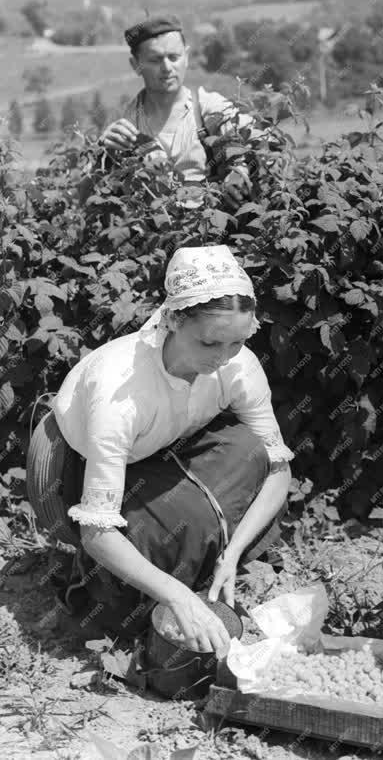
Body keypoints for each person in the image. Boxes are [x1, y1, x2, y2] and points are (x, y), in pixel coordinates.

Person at [28, 245, 292, 653]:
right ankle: (138, 581)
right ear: (171, 320)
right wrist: (176, 595)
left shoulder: (238, 365)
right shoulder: (120, 390)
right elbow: (97, 531)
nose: (223, 359)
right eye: (209, 344)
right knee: (159, 537)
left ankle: (206, 557)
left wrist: (233, 553)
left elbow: (279, 470)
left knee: (253, 450)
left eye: (237, 343)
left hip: (175, 445)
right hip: (94, 462)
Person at [99, 14, 253, 210]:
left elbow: (258, 145)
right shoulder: (126, 126)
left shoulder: (209, 108)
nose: (167, 68)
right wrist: (103, 154)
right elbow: (95, 198)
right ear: (136, 65)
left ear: (186, 57)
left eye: (174, 57)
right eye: (155, 60)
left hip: (211, 233)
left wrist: (239, 170)